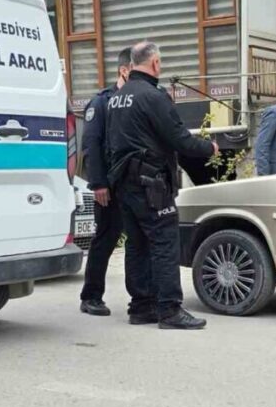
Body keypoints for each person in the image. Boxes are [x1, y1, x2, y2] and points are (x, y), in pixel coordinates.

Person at [107, 41, 219, 330]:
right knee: (165, 243)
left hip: (125, 184)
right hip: (151, 185)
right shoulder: (153, 97)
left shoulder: (117, 98)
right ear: (155, 63)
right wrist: (210, 148)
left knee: (137, 245)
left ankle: (141, 307)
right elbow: (180, 140)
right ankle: (169, 310)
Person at [78, 48, 143, 317]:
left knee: (137, 239)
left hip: (133, 182)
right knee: (106, 238)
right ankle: (91, 296)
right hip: (109, 185)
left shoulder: (137, 100)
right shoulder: (102, 103)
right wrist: (98, 184)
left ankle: (140, 297)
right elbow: (91, 145)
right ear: (124, 71)